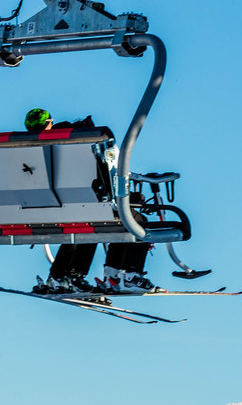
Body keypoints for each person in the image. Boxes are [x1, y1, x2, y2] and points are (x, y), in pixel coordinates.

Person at [22, 107, 156, 296]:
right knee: (135, 222)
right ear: (49, 123)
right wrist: (132, 197)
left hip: (50, 209)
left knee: (83, 227)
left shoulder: (28, 153)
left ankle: (61, 276)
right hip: (91, 206)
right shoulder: (77, 149)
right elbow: (100, 183)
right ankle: (127, 276)